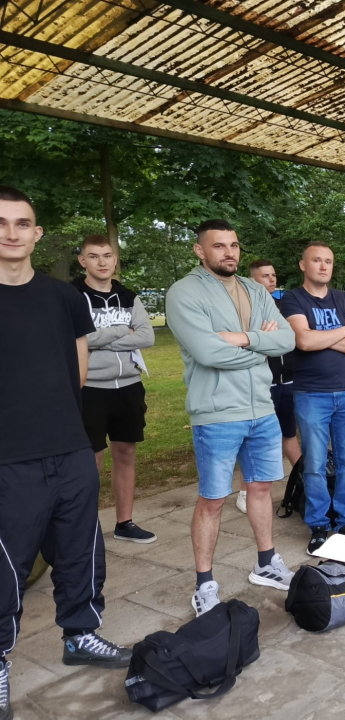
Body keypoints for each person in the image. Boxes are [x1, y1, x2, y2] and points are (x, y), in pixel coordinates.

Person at [0, 186, 133, 720]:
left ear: (37, 233)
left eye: (21, 223)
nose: (11, 233)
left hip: (70, 448)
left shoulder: (64, 298)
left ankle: (80, 634)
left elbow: (77, 372)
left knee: (80, 550)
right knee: (7, 566)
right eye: (1, 223)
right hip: (8, 458)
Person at [165, 219, 297, 616]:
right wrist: (262, 345)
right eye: (219, 246)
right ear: (200, 251)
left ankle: (266, 563)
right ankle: (204, 584)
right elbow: (207, 353)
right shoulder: (184, 292)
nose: (229, 253)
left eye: (234, 245)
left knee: (261, 489)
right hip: (218, 413)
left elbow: (286, 339)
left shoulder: (255, 289)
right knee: (213, 499)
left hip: (262, 408)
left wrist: (243, 339)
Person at [281, 243, 345, 557]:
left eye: (328, 261)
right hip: (311, 395)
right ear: (303, 265)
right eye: (316, 260)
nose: (323, 266)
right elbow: (303, 340)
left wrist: (323, 338)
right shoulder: (292, 298)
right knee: (315, 465)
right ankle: (318, 525)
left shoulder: (344, 299)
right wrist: (343, 331)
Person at [72, 234, 157, 543]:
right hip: (90, 388)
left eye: (107, 255)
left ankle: (125, 522)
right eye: (94, 256)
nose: (102, 262)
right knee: (90, 461)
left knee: (125, 453)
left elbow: (147, 337)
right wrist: (121, 330)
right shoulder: (72, 296)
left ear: (115, 258)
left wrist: (97, 338)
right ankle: (86, 529)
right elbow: (73, 338)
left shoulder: (128, 296)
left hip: (129, 387)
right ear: (82, 261)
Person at [239, 258, 302, 514]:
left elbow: (290, 339)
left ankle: (304, 481)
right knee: (254, 441)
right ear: (253, 280)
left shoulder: (282, 306)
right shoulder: (245, 309)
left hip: (288, 382)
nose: (272, 279)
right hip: (263, 384)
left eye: (273, 274)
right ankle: (245, 492)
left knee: (289, 434)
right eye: (265, 276)